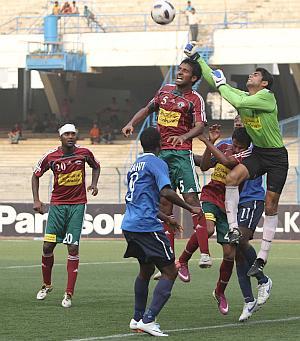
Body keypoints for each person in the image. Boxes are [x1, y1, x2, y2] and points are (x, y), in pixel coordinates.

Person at [184, 42, 289, 276]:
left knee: (271, 206)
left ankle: (262, 257)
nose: (251, 75)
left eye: (256, 74)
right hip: (260, 153)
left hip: (277, 157)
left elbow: (238, 101)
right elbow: (217, 82)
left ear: (264, 83)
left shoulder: (266, 97)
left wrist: (223, 84)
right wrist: (198, 58)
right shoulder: (243, 94)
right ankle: (232, 229)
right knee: (232, 178)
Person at [122, 58, 211, 269]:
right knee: (164, 203)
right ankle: (168, 259)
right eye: (179, 69)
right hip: (161, 155)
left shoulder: (195, 99)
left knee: (191, 199)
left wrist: (184, 136)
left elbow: (200, 127)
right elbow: (146, 109)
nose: (180, 73)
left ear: (194, 78)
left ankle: (205, 254)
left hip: (181, 154)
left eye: (185, 71)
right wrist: (131, 123)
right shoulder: (164, 92)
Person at [121, 127, 201, 336]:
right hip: (147, 226)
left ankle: (137, 318)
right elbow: (166, 191)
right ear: (160, 144)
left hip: (130, 225)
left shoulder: (134, 165)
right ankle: (148, 319)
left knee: (146, 270)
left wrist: (166, 218)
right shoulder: (158, 163)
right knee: (170, 271)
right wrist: (190, 207)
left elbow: (141, 199)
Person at [179, 125, 252, 316]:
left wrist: (207, 141)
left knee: (229, 254)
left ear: (246, 147)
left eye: (239, 146)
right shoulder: (225, 146)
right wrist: (210, 143)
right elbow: (204, 166)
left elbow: (227, 163)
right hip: (210, 196)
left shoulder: (246, 157)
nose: (235, 148)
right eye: (234, 144)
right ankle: (183, 261)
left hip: (228, 205)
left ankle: (219, 292)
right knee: (208, 228)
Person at [32, 123, 100, 308]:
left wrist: (94, 184)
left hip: (77, 206)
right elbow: (35, 175)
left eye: (73, 134)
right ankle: (47, 285)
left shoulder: (84, 153)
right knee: (48, 246)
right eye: (66, 134)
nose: (70, 136)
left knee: (72, 248)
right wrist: (37, 200)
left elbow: (96, 166)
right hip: (57, 207)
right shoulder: (51, 156)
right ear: (60, 137)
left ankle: (68, 294)